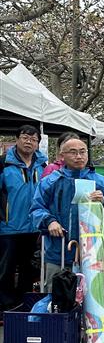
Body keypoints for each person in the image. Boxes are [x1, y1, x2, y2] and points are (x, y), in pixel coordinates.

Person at [31, 135, 104, 290]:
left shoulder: (101, 181)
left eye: (82, 152)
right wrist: (49, 221)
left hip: (92, 251)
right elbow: (36, 208)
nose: (79, 156)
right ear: (62, 156)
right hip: (58, 250)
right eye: (73, 152)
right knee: (57, 296)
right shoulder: (50, 181)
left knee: (93, 295)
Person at [0, 125, 47, 314]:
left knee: (31, 270)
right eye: (25, 137)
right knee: (5, 271)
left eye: (34, 139)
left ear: (37, 144)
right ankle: (5, 307)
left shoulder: (43, 166)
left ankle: (25, 307)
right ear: (17, 139)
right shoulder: (3, 164)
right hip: (8, 228)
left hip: (35, 228)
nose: (29, 141)